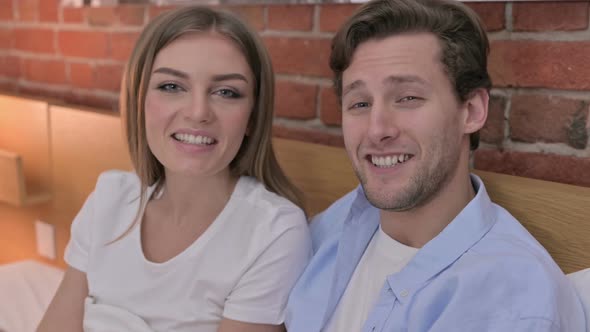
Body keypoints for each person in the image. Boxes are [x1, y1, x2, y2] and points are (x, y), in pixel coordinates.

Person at [285, 0, 585, 331]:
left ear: (470, 111)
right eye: (359, 103)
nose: (377, 129)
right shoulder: (337, 223)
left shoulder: (510, 301)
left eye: (408, 97)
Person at [38, 6, 311, 332]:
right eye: (171, 86)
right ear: (139, 99)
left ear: (252, 115)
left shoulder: (272, 231)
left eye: (226, 92)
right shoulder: (109, 199)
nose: (198, 113)